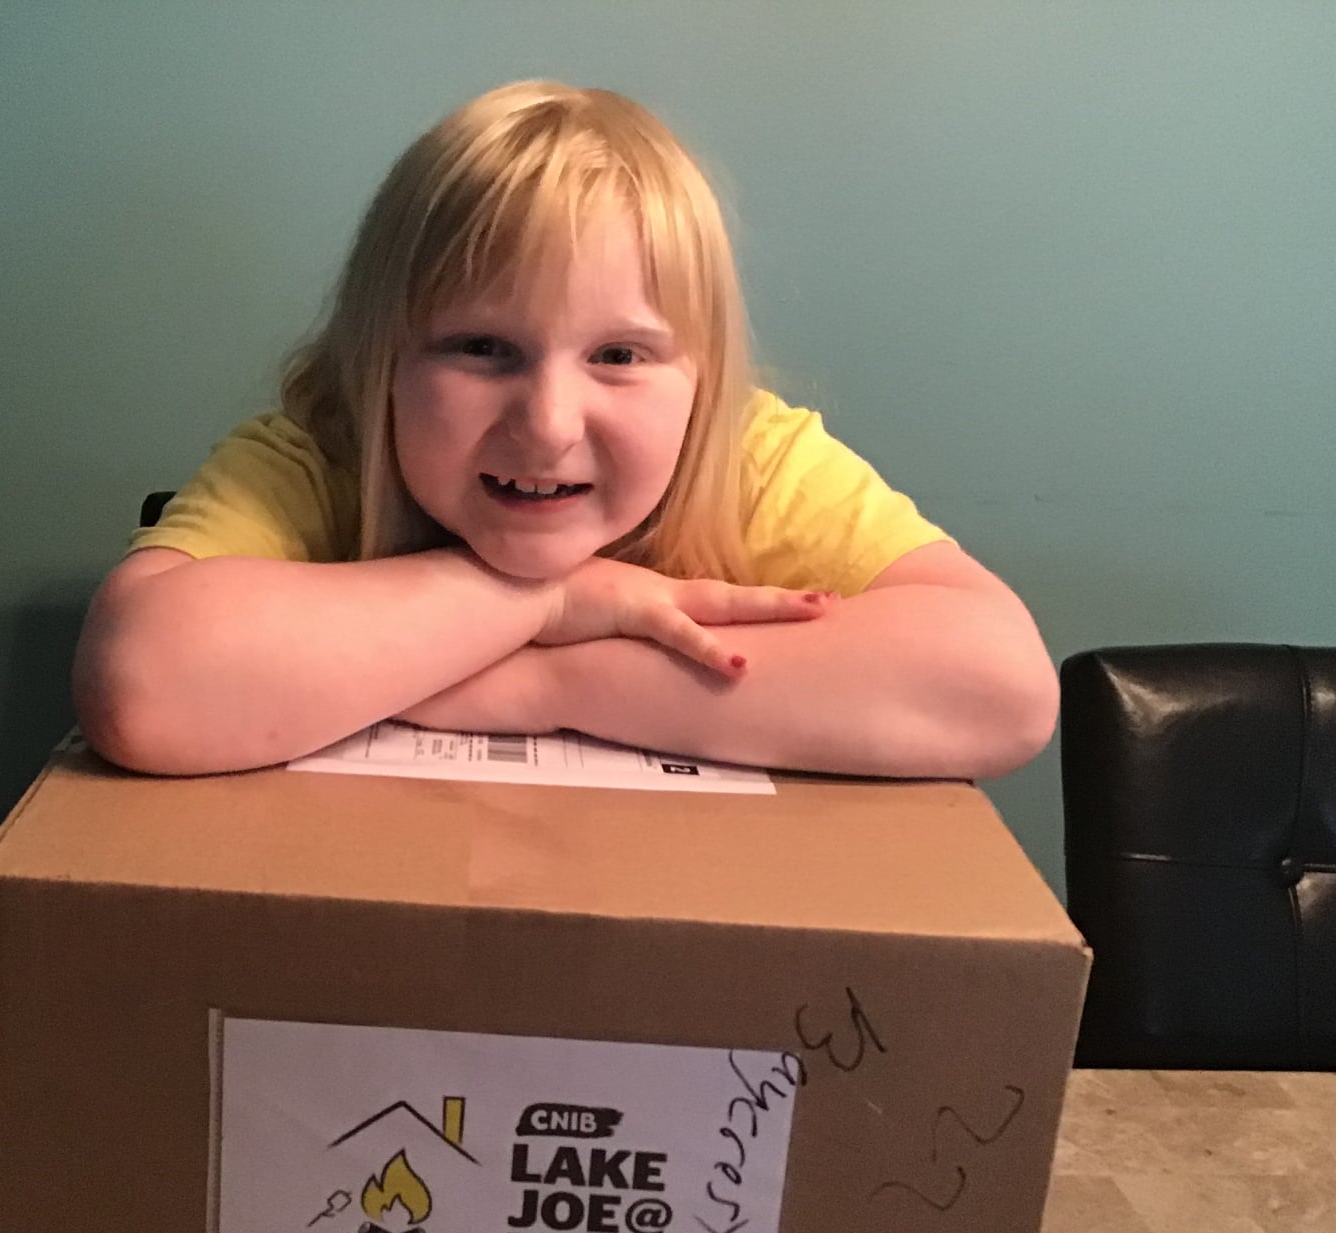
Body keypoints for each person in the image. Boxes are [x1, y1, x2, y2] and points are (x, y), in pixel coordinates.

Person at [73, 81, 1058, 779]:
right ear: (379, 366)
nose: (547, 426)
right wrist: (548, 602)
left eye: (620, 356)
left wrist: (543, 685)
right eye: (479, 348)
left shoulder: (745, 456)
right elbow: (143, 687)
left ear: (701, 379)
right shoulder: (322, 449)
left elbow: (999, 690)